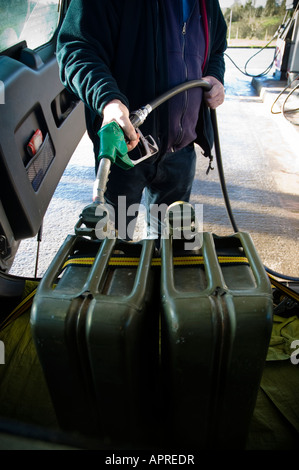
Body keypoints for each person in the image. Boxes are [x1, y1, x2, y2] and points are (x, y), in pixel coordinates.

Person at [56, 0, 227, 241]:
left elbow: (217, 48)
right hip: (124, 153)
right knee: (114, 245)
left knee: (170, 244)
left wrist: (215, 75)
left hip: (181, 152)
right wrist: (108, 100)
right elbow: (76, 48)